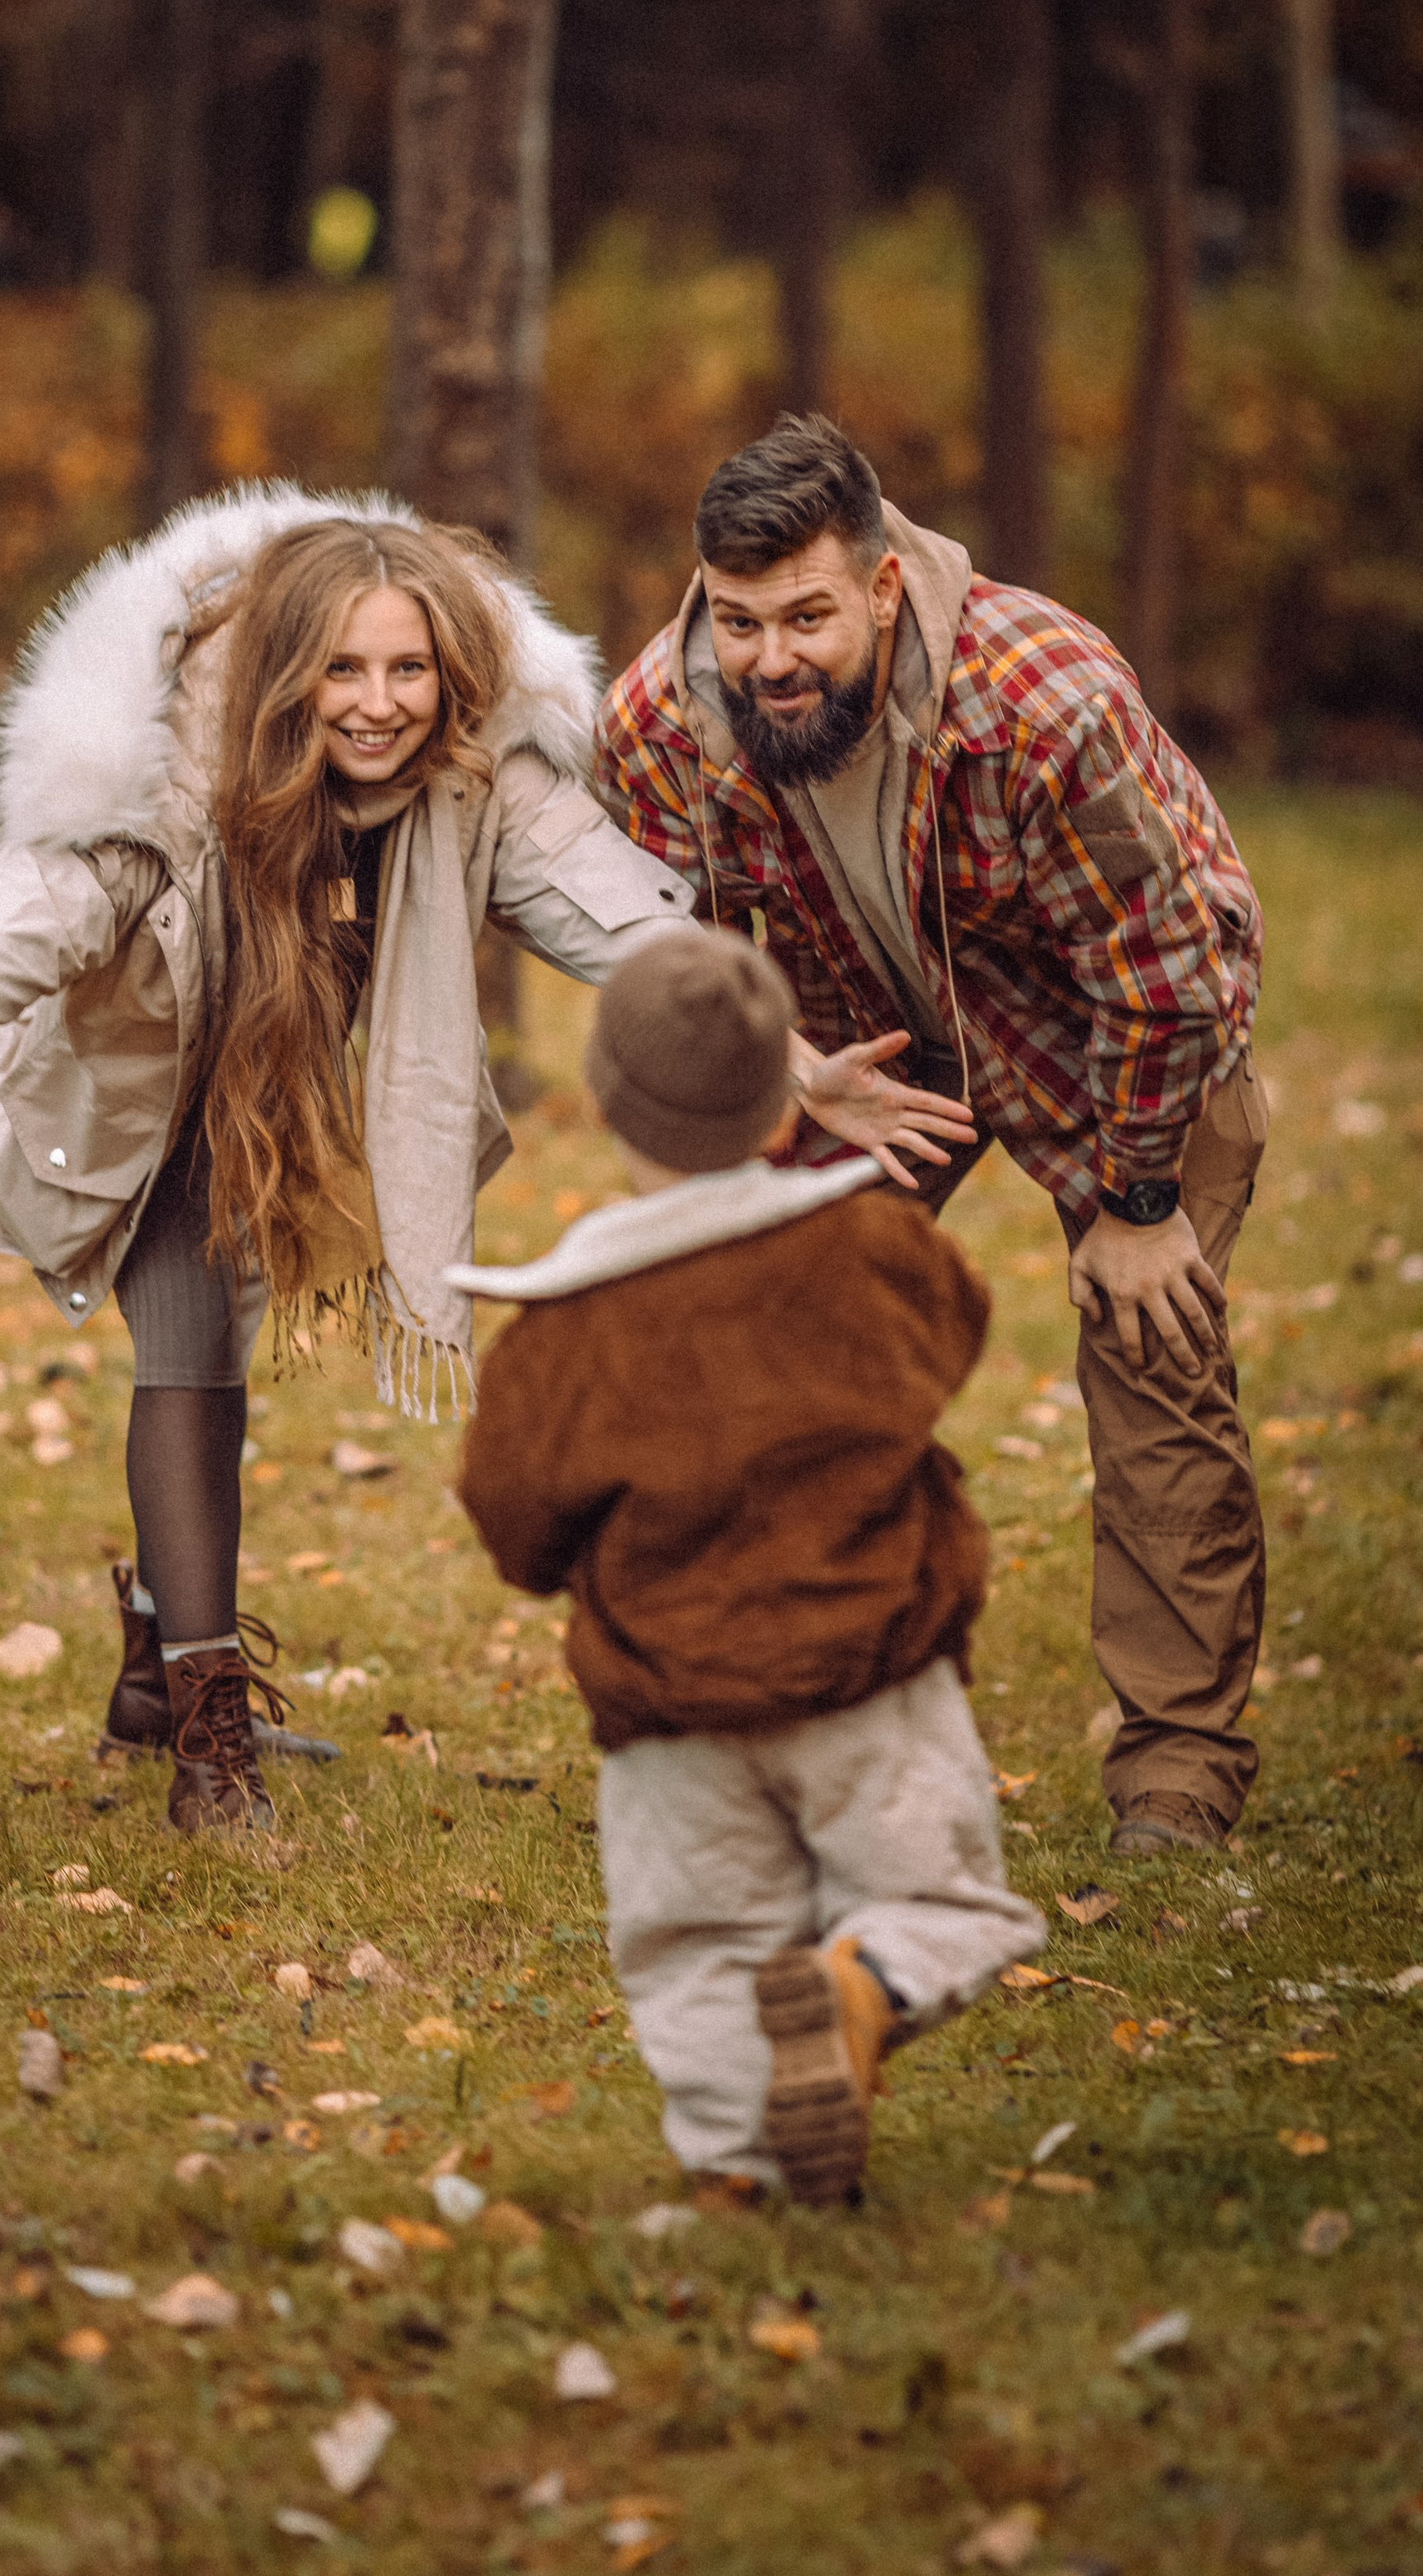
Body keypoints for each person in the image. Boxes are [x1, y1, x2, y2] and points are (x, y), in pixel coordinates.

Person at [0, 485, 699, 1833]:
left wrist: (773, 1047)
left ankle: (150, 1674)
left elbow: (616, 913)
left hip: (282, 1087)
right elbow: (40, 905)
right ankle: (207, 1746)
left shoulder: (475, 773)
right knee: (190, 1369)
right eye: (342, 672)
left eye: (408, 669)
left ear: (452, 672)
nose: (378, 705)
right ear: (282, 678)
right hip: (152, 1085)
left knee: (226, 1385)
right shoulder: (171, 780)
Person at [595, 413, 1268, 1860]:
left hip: (1128, 1030)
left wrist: (1139, 1204)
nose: (770, 659)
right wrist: (788, 1076)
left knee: (1152, 1351)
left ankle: (1177, 1773)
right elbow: (665, 951)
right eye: (740, 621)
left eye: (808, 619)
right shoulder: (663, 720)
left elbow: (1160, 970)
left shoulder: (1043, 698)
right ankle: (779, 1712)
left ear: (885, 587)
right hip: (867, 1045)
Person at [450, 933, 1045, 2203]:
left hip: (672, 1705)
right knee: (940, 1901)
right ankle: (858, 1988)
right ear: (784, 1095)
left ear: (607, 1097)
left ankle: (738, 2169)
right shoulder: (872, 1252)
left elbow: (512, 1521)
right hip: (866, 1668)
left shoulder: (567, 1326)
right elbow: (957, 1332)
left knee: (704, 1946)